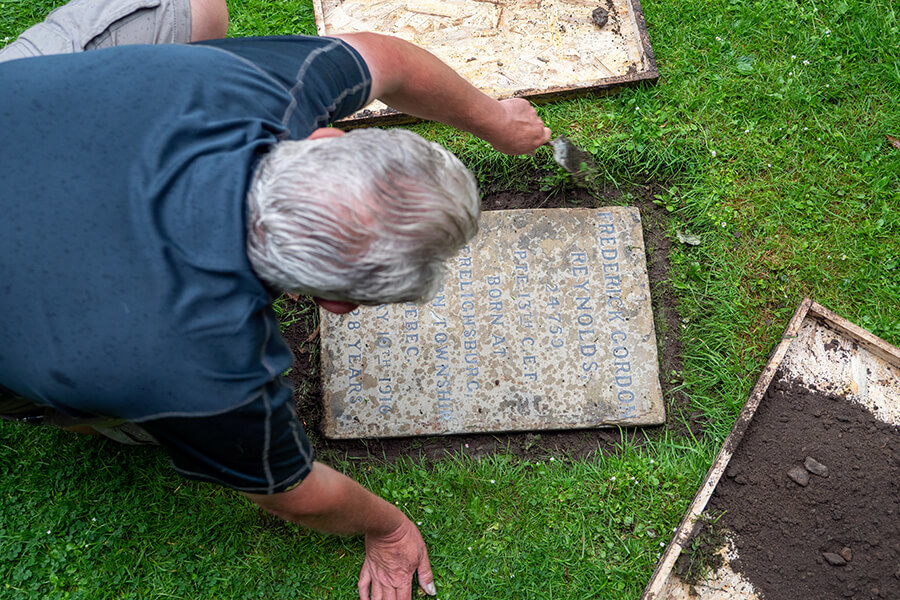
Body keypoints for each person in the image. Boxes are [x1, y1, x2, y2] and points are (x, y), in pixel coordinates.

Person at [0, 1, 552, 599]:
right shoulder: (199, 375)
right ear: (337, 304)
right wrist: (388, 529)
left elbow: (387, 60)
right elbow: (295, 493)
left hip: (24, 106)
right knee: (103, 406)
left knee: (199, 10)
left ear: (325, 136)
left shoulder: (249, 87)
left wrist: (497, 120)